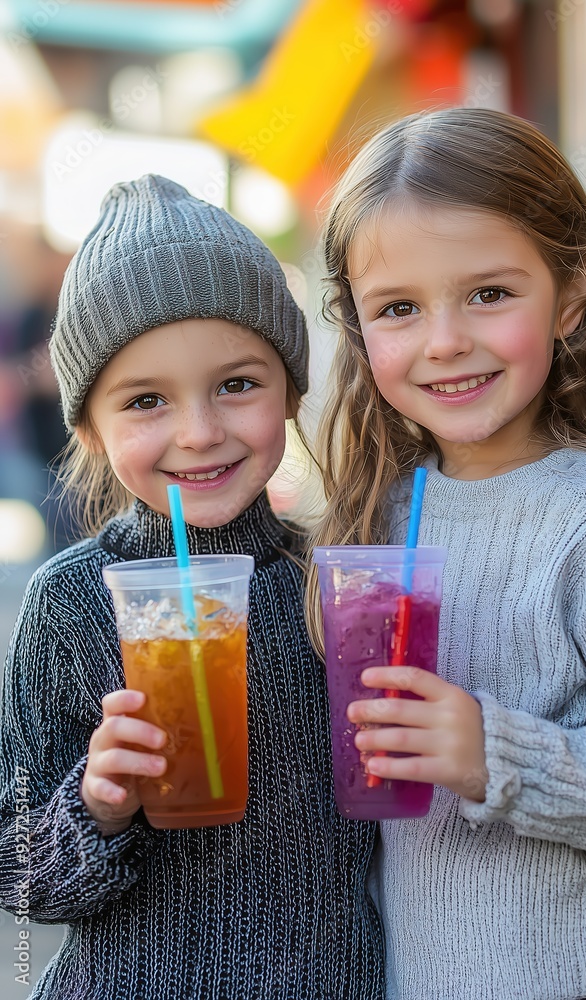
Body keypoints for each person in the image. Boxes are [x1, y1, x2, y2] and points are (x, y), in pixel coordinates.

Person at [306, 108, 586, 1000]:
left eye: (489, 294)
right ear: (357, 329)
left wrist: (490, 754)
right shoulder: (379, 517)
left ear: (570, 297)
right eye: (399, 308)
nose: (444, 340)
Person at [0, 175, 384, 999]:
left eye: (238, 383)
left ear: (291, 390)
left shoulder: (337, 584)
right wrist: (96, 804)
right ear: (91, 432)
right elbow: (20, 880)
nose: (199, 431)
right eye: (145, 401)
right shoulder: (70, 606)